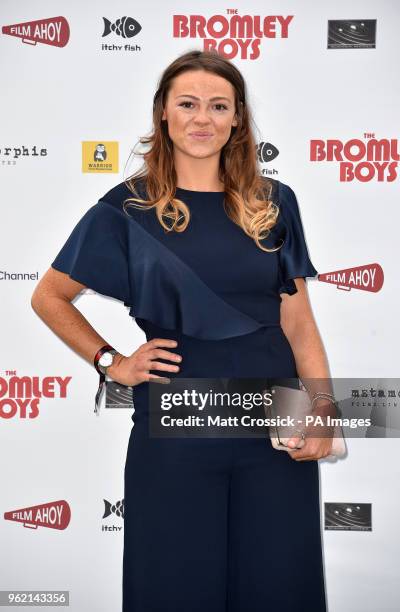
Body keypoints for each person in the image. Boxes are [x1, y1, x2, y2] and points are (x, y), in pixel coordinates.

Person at [31, 49, 336, 612]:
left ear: (238, 117)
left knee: (279, 584)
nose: (204, 118)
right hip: (174, 421)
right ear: (163, 114)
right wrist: (111, 362)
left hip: (277, 419)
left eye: (219, 106)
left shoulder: (274, 203)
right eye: (188, 104)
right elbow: (48, 296)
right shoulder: (127, 208)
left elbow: (298, 320)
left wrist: (321, 409)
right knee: (174, 584)